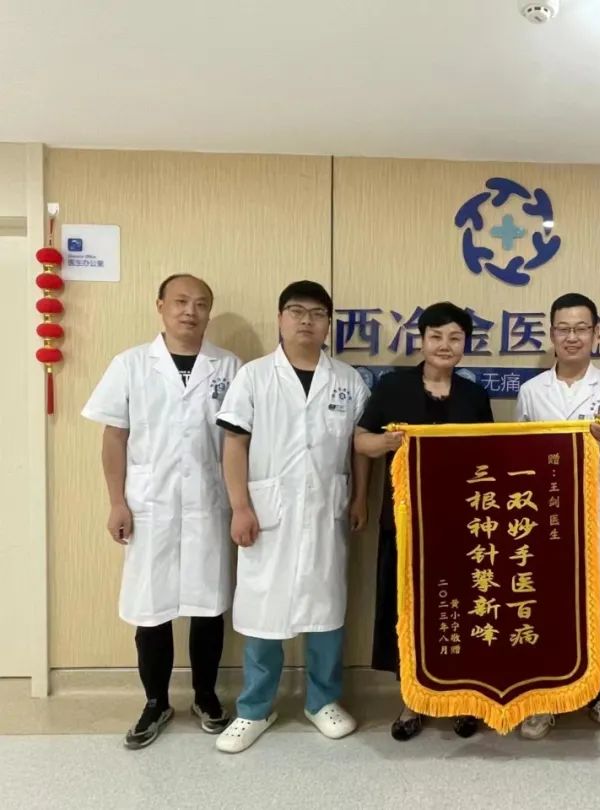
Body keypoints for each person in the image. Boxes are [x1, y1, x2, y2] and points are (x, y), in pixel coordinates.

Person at [82, 274, 240, 749]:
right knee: (151, 608)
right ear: (161, 306)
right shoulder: (131, 364)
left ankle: (206, 696)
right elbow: (115, 437)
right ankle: (155, 702)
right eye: (181, 301)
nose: (190, 311)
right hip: (149, 504)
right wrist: (116, 501)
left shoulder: (228, 366)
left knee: (208, 605)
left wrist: (240, 503)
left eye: (201, 303)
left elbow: (239, 441)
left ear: (209, 311)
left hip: (209, 504)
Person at [213, 281, 371, 754]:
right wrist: (241, 506)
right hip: (267, 514)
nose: (306, 320)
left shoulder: (347, 380)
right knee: (264, 611)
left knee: (327, 610)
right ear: (281, 318)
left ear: (328, 324)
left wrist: (360, 497)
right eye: (297, 311)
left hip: (327, 511)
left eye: (317, 313)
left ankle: (322, 701)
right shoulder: (254, 377)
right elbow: (234, 444)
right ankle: (254, 708)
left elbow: (359, 446)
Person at [355, 301, 494, 741]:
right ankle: (412, 701)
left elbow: (489, 455)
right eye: (436, 336)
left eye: (455, 338)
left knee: (460, 609)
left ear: (465, 345)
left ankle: (462, 699)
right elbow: (361, 441)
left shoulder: (474, 396)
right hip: (405, 523)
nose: (444, 345)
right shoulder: (393, 387)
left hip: (462, 527)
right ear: (422, 340)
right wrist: (389, 443)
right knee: (408, 611)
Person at [513, 292, 600, 745]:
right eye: (564, 329)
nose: (572, 337)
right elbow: (518, 454)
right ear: (552, 334)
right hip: (545, 515)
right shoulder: (532, 391)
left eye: (581, 328)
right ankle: (547, 698)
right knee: (549, 606)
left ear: (596, 334)